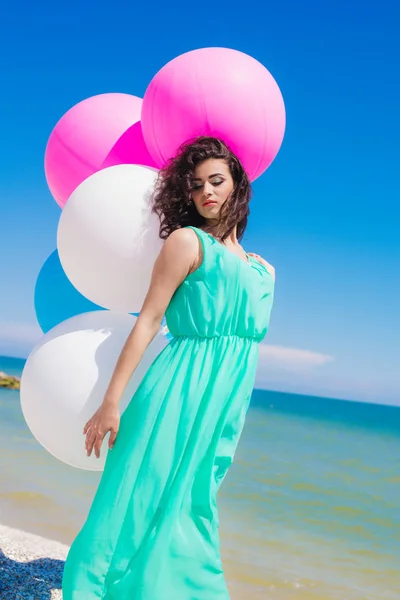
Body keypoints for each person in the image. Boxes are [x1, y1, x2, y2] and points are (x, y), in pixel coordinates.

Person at [62, 136, 275, 599]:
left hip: (226, 401)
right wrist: (111, 402)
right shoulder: (187, 242)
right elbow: (149, 322)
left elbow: (244, 349)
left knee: (196, 499)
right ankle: (95, 588)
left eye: (217, 181)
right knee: (140, 491)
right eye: (197, 186)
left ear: (238, 184)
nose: (207, 193)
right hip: (178, 387)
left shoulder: (264, 271)